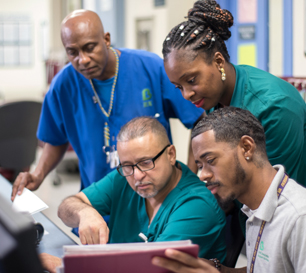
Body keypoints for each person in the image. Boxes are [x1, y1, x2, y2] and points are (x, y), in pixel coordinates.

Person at [11, 9, 203, 200]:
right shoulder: (63, 86)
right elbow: (55, 140)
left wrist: (190, 183)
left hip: (156, 199)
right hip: (99, 201)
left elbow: (199, 121)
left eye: (89, 47)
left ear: (106, 39)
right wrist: (38, 174)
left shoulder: (151, 68)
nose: (83, 60)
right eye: (72, 52)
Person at [40, 117, 226, 273]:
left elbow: (149, 268)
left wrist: (65, 267)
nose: (137, 175)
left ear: (170, 154)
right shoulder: (124, 178)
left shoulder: (196, 205)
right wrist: (84, 213)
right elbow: (66, 208)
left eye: (146, 162)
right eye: (127, 165)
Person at [162, 0, 306, 187]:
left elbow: (276, 193)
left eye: (191, 80)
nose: (186, 94)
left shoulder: (274, 107)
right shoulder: (214, 97)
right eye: (178, 87)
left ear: (219, 62)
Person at [152, 107, 306, 273]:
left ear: (246, 147)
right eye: (199, 166)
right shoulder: (254, 208)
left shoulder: (299, 217)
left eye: (210, 160)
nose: (203, 175)